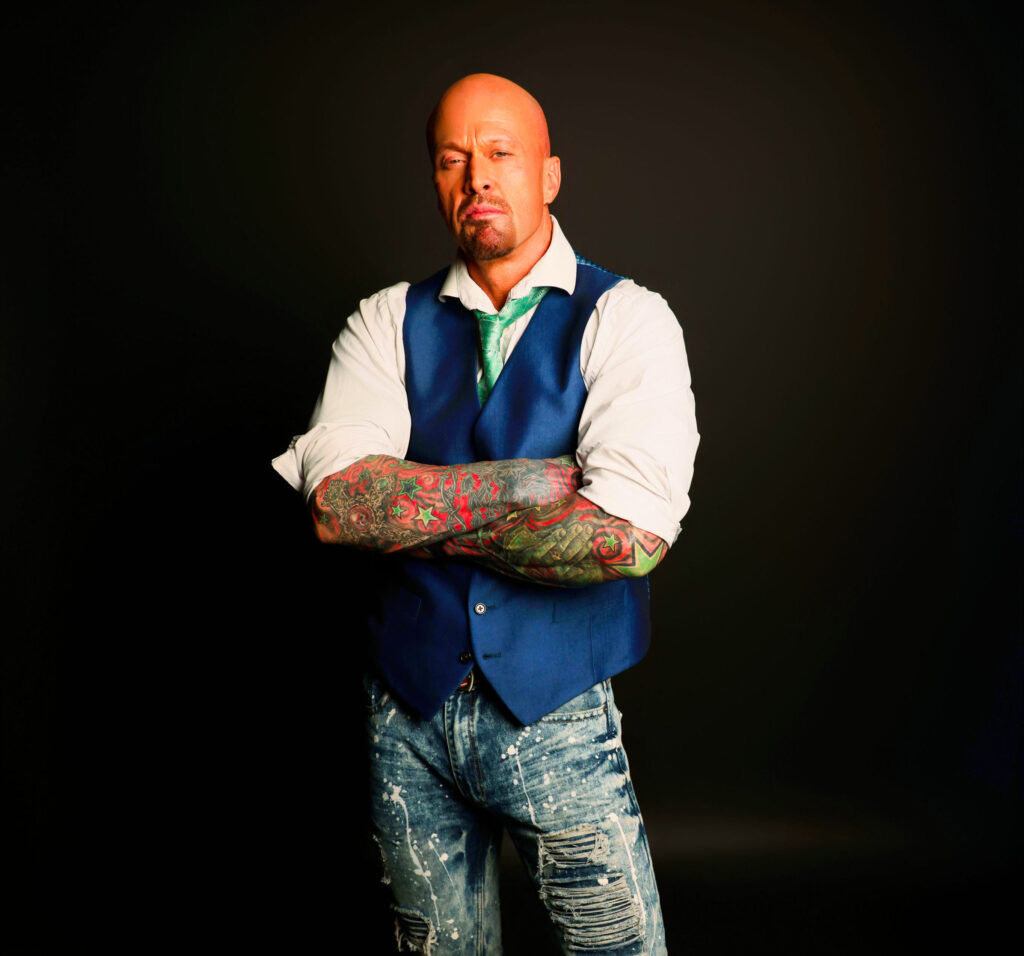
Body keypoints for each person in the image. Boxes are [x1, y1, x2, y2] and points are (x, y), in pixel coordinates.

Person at [273, 73, 698, 955]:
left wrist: (410, 504)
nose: (477, 178)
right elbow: (338, 508)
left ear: (549, 174)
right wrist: (535, 487)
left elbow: (628, 539)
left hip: (558, 719)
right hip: (405, 720)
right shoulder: (383, 321)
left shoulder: (629, 320)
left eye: (501, 153)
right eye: (452, 159)